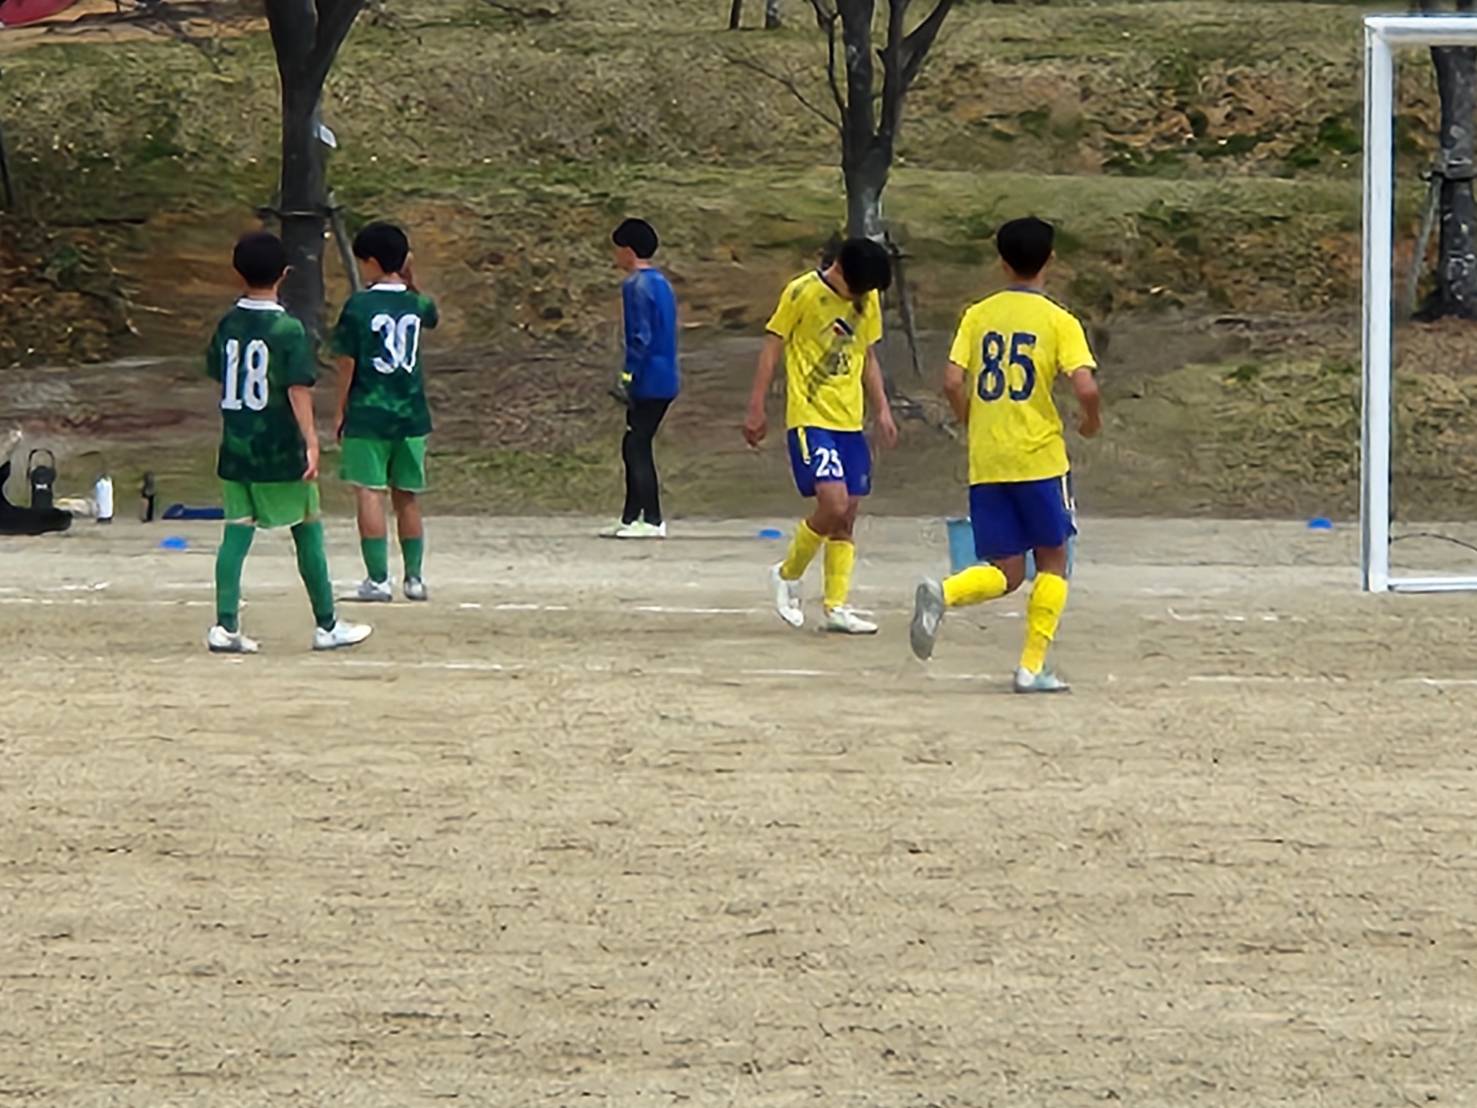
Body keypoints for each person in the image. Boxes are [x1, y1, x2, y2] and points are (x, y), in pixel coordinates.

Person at [909, 216, 1102, 692]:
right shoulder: (1059, 320)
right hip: (1039, 457)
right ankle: (1031, 667)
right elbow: (1085, 387)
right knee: (1054, 561)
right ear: (1050, 260)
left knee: (1007, 569)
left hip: (988, 459)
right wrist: (1090, 420)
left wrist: (969, 418)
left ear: (1001, 263)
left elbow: (951, 381)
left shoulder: (978, 315)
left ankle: (945, 592)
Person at [204, 231, 371, 654]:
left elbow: (219, 373)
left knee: (235, 533)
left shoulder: (227, 324)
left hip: (235, 446)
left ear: (237, 273)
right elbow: (298, 389)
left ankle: (224, 625)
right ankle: (327, 624)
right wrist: (311, 441)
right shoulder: (288, 328)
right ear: (284, 273)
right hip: (278, 446)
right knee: (308, 529)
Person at [745, 237, 899, 634]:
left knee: (847, 516)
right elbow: (771, 348)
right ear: (841, 269)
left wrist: (882, 408)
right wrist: (757, 405)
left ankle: (835, 606)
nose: (860, 297)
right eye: (857, 288)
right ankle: (787, 573)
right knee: (832, 503)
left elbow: (868, 356)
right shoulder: (801, 293)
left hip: (850, 420)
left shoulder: (867, 298)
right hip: (811, 418)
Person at [332, 222, 440, 601]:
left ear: (372, 262)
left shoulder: (359, 305)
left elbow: (347, 362)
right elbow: (432, 314)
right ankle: (414, 578)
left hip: (369, 412)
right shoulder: (416, 303)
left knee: (369, 492)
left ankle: (378, 579)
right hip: (411, 415)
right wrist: (411, 277)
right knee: (407, 495)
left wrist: (341, 409)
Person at [602, 218, 679, 539]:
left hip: (650, 378)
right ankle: (631, 516)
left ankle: (652, 519)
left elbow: (640, 336)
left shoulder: (635, 285)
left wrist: (627, 376)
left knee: (637, 445)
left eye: (618, 249)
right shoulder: (662, 283)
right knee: (633, 442)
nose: (615, 256)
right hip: (666, 374)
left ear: (628, 251)